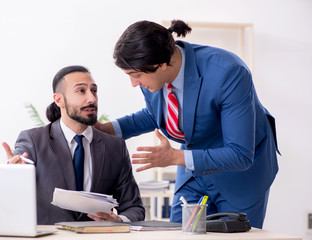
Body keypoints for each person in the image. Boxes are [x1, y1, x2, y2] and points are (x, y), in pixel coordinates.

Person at [94, 20, 279, 228]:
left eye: (136, 75)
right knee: (181, 231)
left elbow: (240, 154)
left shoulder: (228, 72)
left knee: (233, 235)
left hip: (240, 175)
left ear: (161, 65)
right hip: (192, 168)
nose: (134, 83)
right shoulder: (152, 74)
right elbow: (157, 114)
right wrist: (107, 130)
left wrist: (175, 157)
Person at [2, 65, 145, 225]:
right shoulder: (33, 141)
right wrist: (14, 175)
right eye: (81, 91)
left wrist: (118, 219)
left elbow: (134, 209)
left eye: (94, 90)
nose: (91, 99)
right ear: (59, 100)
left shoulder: (114, 147)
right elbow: (13, 195)